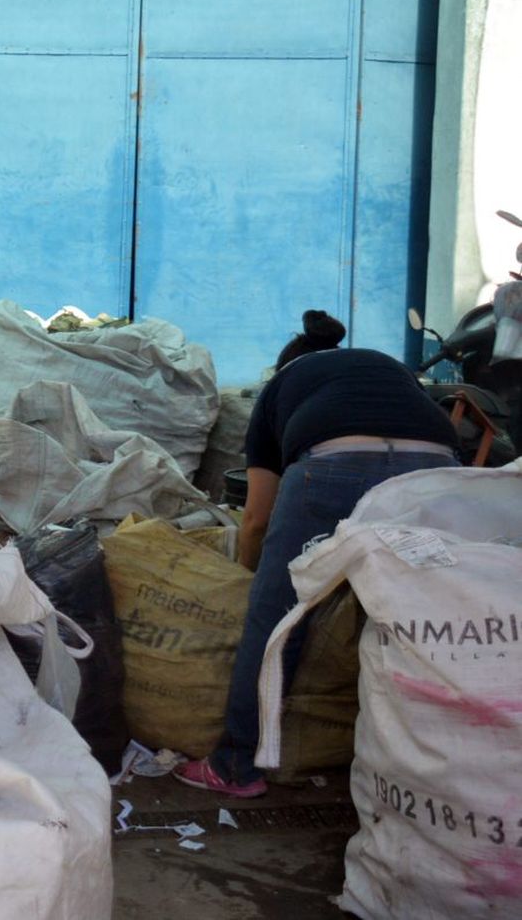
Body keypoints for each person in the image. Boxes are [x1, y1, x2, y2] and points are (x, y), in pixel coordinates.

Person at [174, 310, 460, 797]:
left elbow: (256, 520)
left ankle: (236, 765)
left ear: (282, 368)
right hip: (436, 475)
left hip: (334, 467)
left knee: (276, 620)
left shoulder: (276, 392)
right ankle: (435, 766)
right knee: (430, 620)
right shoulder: (384, 367)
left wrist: (251, 579)